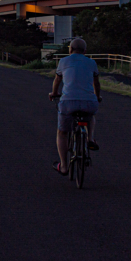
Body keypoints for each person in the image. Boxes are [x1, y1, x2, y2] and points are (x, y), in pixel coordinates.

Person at [49, 38, 101, 176]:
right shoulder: (92, 63)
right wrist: (97, 96)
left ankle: (64, 166)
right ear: (85, 51)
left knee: (62, 132)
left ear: (70, 49)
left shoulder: (63, 61)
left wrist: (54, 93)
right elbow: (96, 83)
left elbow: (57, 80)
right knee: (90, 116)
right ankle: (90, 138)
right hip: (89, 102)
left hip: (68, 102)